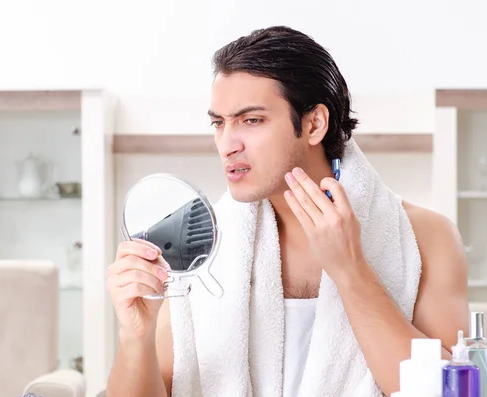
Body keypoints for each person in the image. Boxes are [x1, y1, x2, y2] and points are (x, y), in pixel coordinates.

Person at [105, 26, 469, 397]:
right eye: (219, 123)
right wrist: (135, 336)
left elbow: (447, 391)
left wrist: (350, 270)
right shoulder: (194, 247)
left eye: (251, 120)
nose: (227, 144)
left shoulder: (425, 237)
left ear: (313, 124)